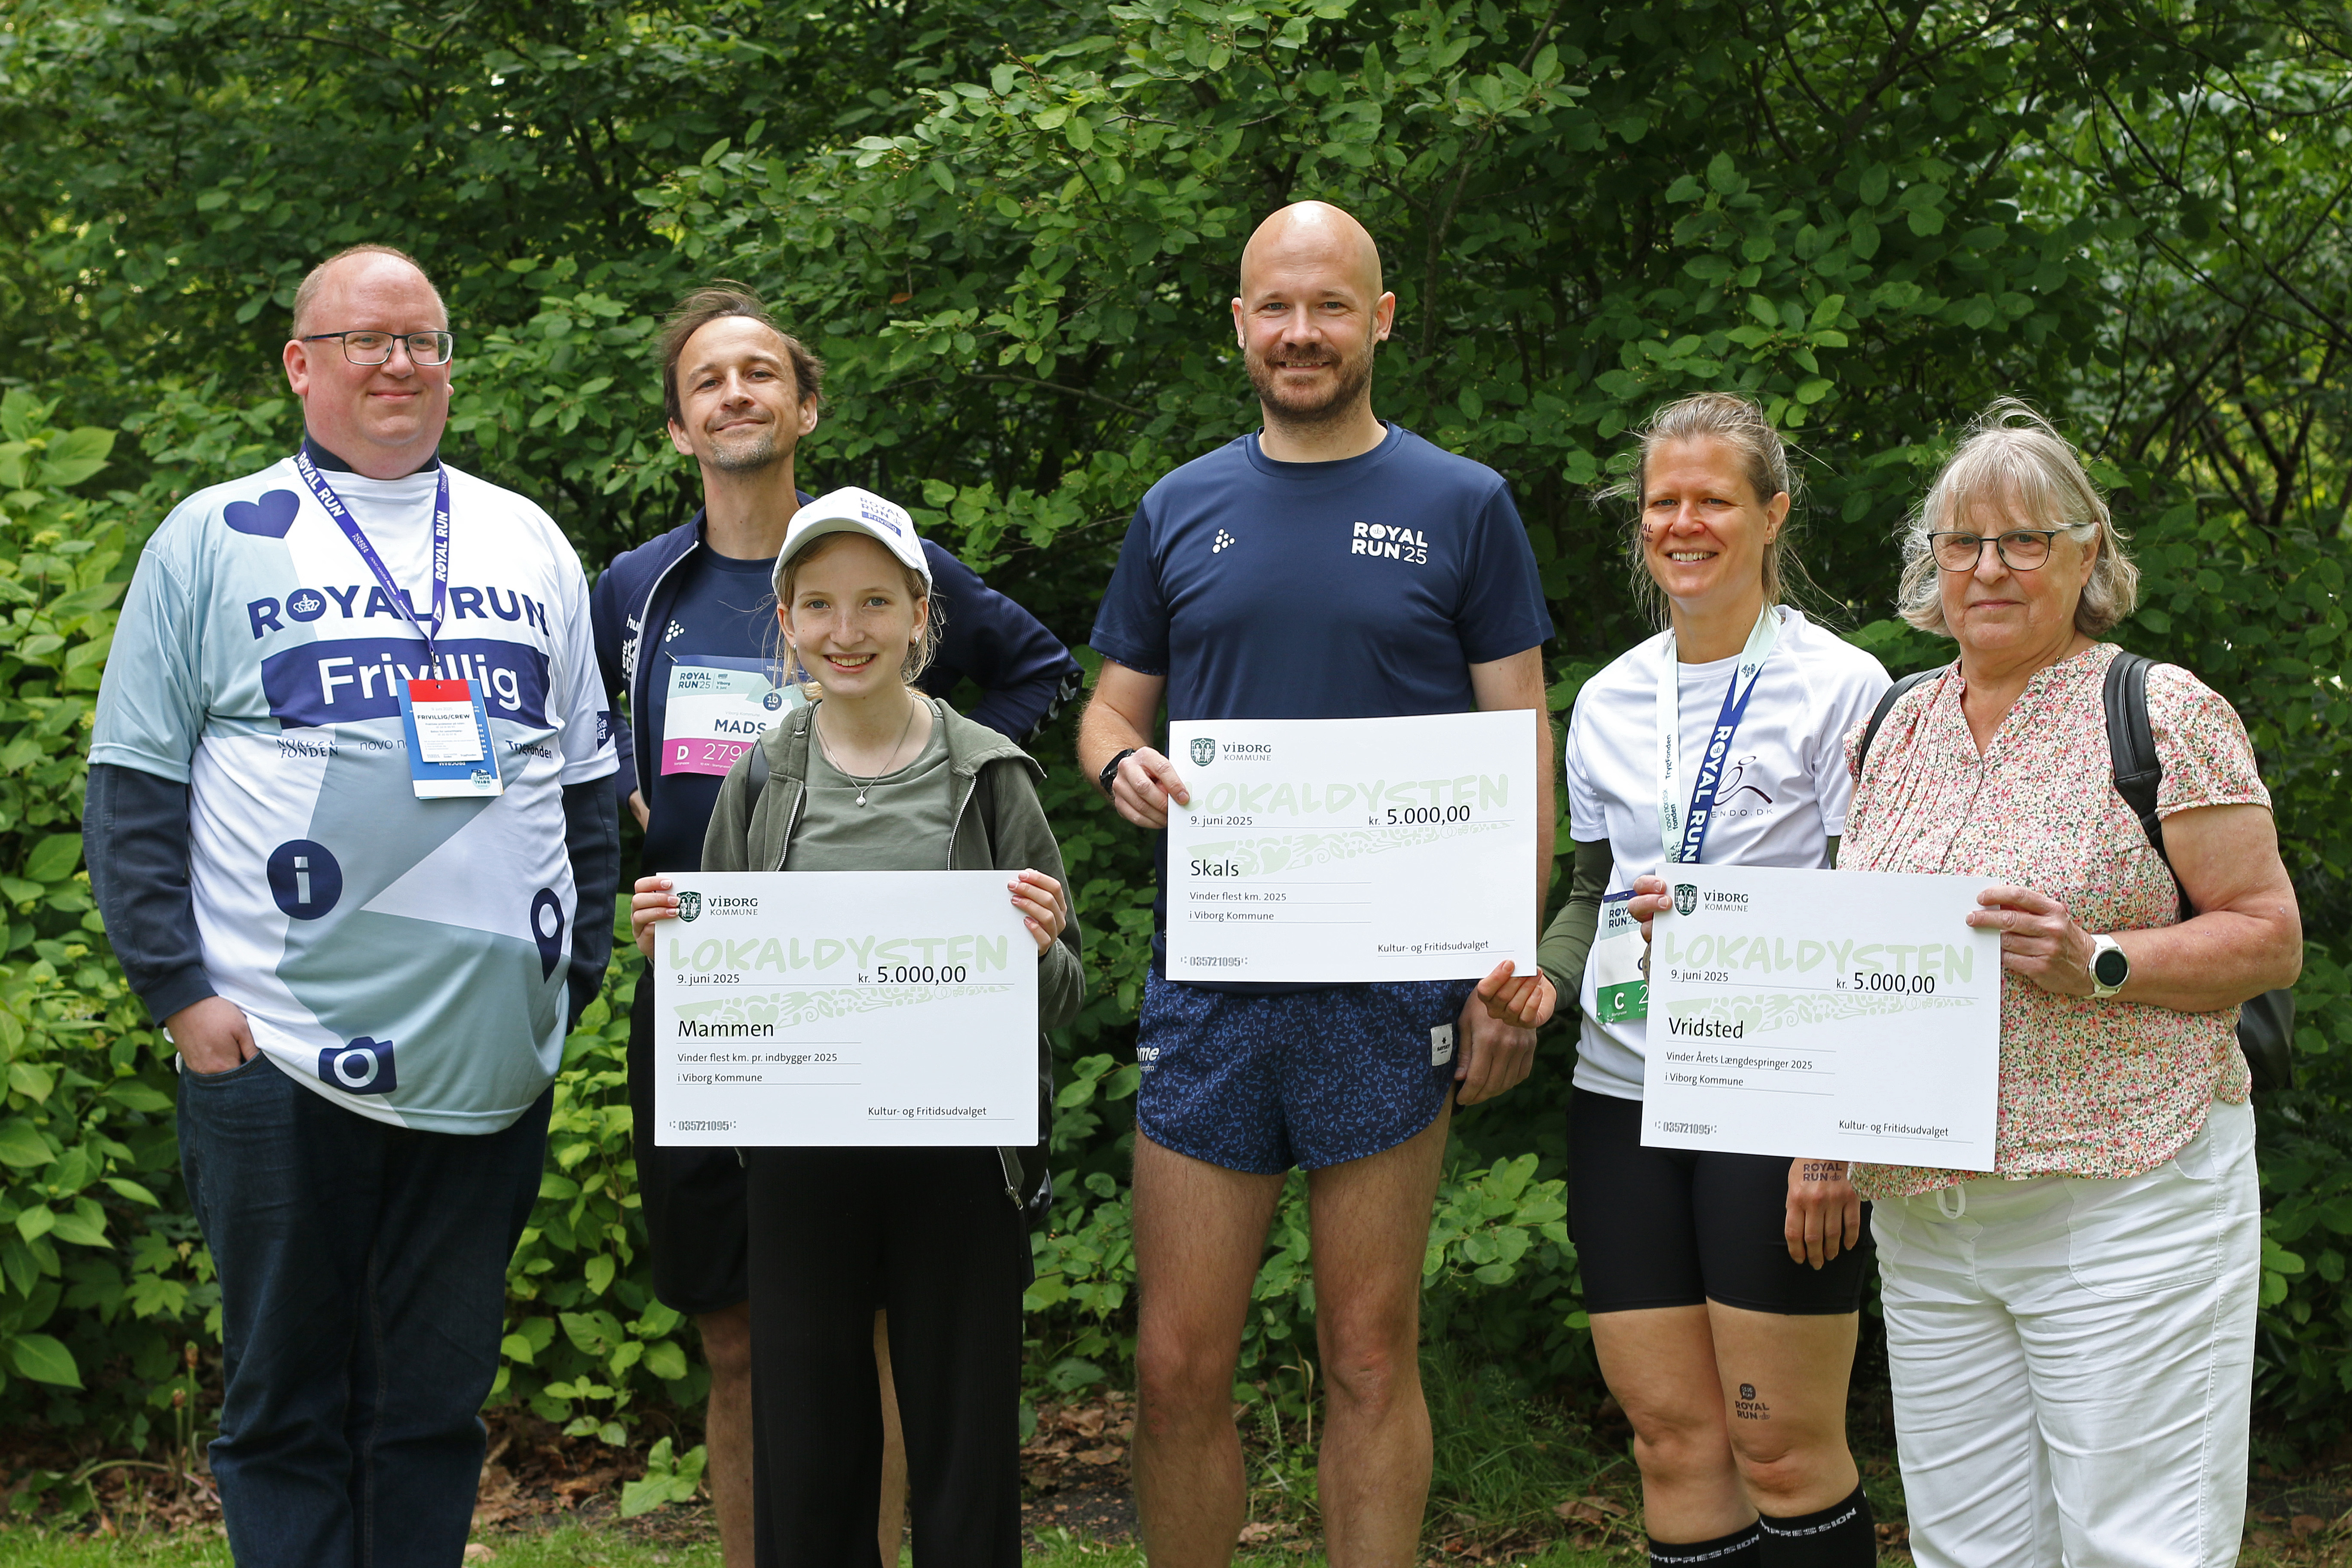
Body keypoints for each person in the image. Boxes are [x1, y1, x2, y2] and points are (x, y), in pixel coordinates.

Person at [83, 244, 620, 1566]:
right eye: (368, 340)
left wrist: (573, 972)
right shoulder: (214, 533)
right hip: (278, 1046)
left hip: (488, 1060)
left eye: (423, 340)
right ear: (301, 365)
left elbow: (590, 787)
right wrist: (181, 996)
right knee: (287, 1404)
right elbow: (133, 785)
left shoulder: (525, 535)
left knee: (432, 1405)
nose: (399, 363)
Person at [1077, 199, 1556, 1566]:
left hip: (1393, 981)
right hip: (1216, 976)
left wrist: (1503, 966)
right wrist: (1121, 770)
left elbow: (1520, 737)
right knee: (1175, 1365)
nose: (1302, 333)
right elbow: (1109, 718)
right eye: (1276, 309)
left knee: (1366, 1352)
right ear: (1239, 324)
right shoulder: (1182, 504)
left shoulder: (1463, 504)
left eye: (1330, 306)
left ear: (1380, 320)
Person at [590, 285, 1079, 1566]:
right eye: (708, 380)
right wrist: (657, 878)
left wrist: (999, 919)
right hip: (765, 1078)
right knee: (776, 1372)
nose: (845, 629)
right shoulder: (650, 606)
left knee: (937, 1380)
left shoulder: (977, 752)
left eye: (763, 373)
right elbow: (587, 756)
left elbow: (1043, 681)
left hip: (944, 1115)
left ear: (922, 616)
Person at [1837, 401, 2300, 1568]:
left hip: (2125, 1200)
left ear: (2087, 552)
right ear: (1930, 564)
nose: (1987, 568)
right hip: (1933, 1215)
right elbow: (1857, 953)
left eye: (2023, 541)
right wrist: (1707, 959)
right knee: (1969, 1551)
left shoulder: (2160, 710)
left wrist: (2098, 959)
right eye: (1961, 543)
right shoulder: (1896, 723)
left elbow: (2268, 936)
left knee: (2133, 1545)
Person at [1538, 393, 1889, 1568]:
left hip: (1773, 1102)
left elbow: (1871, 922)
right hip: (1622, 1094)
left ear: (1771, 514)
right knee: (1671, 1442)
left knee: (1782, 1448)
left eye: (1713, 500)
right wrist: (1539, 983)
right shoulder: (1605, 699)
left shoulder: (1845, 687)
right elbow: (1592, 893)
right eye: (1662, 503)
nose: (1684, 523)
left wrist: (1837, 1129)